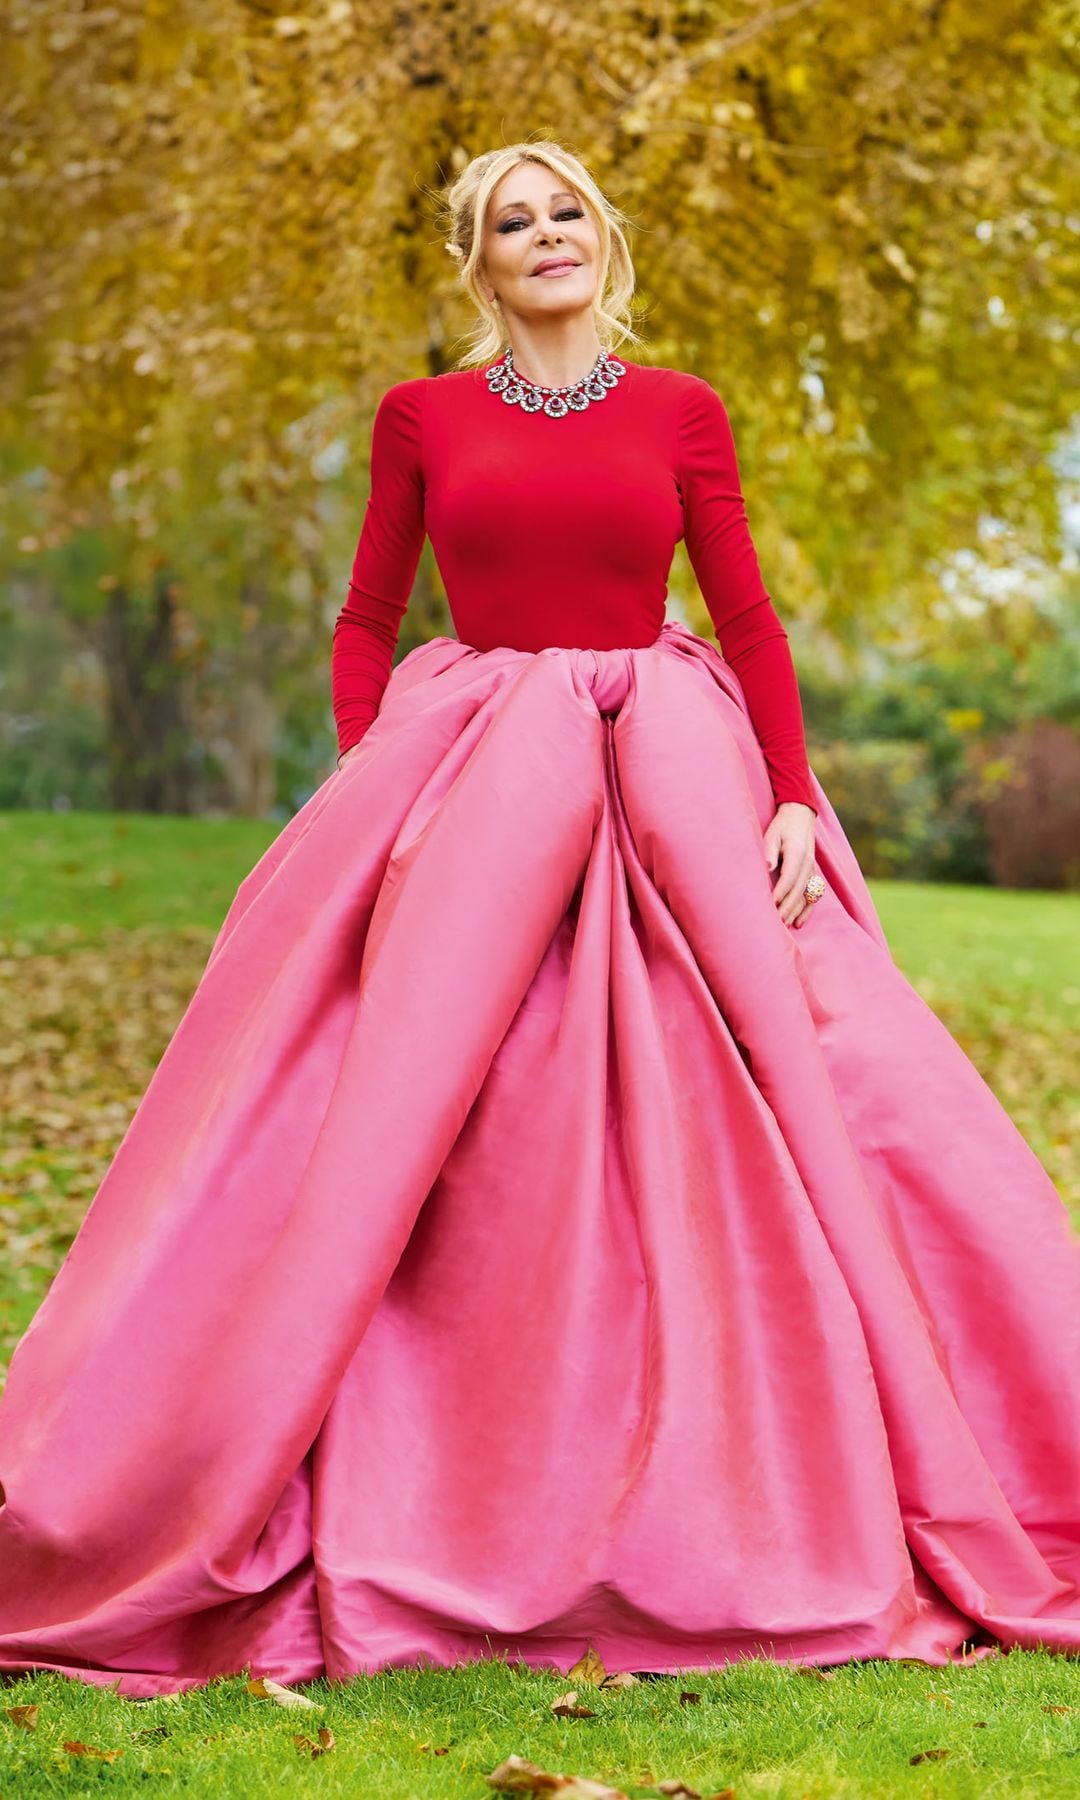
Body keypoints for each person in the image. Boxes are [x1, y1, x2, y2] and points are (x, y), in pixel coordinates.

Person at [1, 140, 1079, 1702]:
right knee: (392, 1103)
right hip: (482, 767)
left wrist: (789, 792)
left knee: (819, 1086)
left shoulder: (681, 409)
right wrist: (381, 788)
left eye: (565, 210)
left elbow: (747, 608)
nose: (547, 235)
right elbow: (368, 620)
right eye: (515, 222)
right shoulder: (425, 417)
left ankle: (823, 1471)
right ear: (482, 264)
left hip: (678, 771)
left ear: (602, 239)